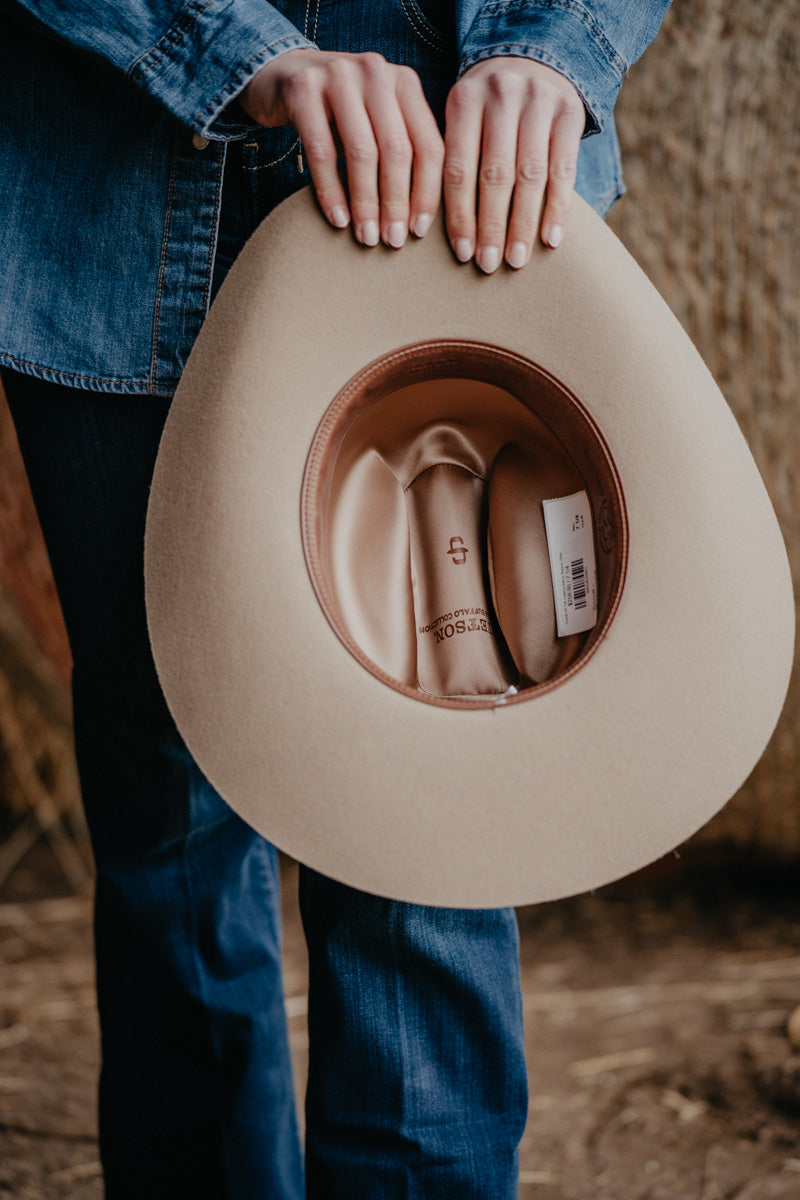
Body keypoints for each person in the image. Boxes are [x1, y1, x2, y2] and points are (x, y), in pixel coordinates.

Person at [0, 2, 670, 1196]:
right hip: (113, 147)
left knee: (431, 832)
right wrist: (222, 45)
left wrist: (556, 40)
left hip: (460, 164)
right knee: (165, 810)